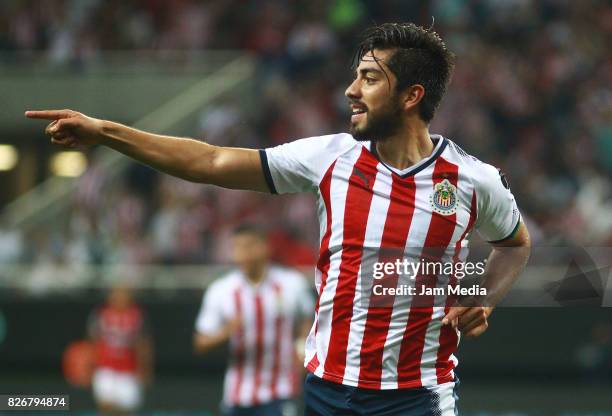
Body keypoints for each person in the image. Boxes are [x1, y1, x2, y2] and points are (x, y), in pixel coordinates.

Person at [27, 22, 531, 416]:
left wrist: (483, 297)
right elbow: (212, 162)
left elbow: (515, 244)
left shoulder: (473, 179)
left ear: (412, 95)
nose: (351, 90)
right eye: (355, 75)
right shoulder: (329, 158)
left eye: (370, 78)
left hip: (418, 395)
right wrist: (106, 132)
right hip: (327, 390)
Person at [194, 224, 313, 416]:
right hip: (237, 395)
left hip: (281, 390)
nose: (243, 254)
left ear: (266, 247)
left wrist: (301, 350)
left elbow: (308, 320)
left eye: (249, 246)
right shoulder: (221, 290)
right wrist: (226, 331)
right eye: (237, 247)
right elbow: (200, 342)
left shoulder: (292, 284)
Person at [88, 286, 153, 415]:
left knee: (126, 410)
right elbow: (93, 341)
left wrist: (145, 368)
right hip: (106, 366)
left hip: (128, 370)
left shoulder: (137, 316)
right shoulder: (101, 314)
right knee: (105, 405)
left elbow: (143, 344)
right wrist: (91, 366)